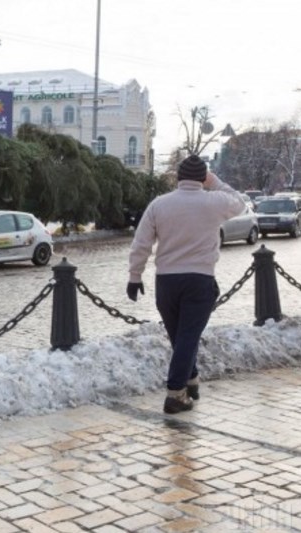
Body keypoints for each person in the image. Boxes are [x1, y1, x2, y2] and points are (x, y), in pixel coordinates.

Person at [127, 154, 244, 414]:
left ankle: (191, 381)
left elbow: (141, 242)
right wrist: (214, 182)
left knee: (180, 337)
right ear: (203, 178)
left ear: (178, 178)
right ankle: (175, 394)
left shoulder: (159, 204)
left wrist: (135, 276)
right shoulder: (214, 201)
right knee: (187, 337)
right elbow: (240, 204)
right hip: (199, 280)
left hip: (166, 282)